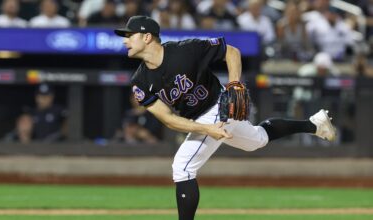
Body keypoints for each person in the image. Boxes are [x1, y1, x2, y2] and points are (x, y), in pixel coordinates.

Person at [114, 15, 336, 220]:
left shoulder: (185, 50)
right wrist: (207, 130)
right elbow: (168, 119)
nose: (125, 41)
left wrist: (234, 84)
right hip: (200, 119)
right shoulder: (140, 82)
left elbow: (231, 52)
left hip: (219, 105)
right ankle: (314, 124)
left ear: (147, 37)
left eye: (129, 35)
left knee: (182, 167)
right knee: (257, 140)